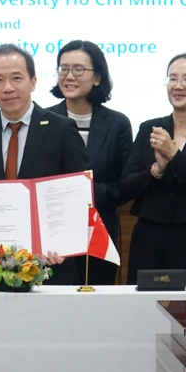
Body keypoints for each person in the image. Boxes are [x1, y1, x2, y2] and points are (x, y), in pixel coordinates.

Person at [0, 44, 88, 283]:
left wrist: (62, 243)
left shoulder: (62, 129)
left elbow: (77, 197)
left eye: (16, 78)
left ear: (33, 82)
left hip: (53, 264)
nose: (8, 88)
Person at [119, 53, 186, 285]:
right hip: (149, 236)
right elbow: (127, 185)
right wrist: (156, 170)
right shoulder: (149, 128)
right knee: (143, 310)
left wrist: (174, 156)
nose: (178, 86)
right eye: (172, 79)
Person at [47, 40, 132, 285]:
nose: (69, 76)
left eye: (78, 69)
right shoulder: (44, 120)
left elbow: (126, 183)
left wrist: (85, 195)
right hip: (54, 231)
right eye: (63, 69)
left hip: (100, 228)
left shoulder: (117, 124)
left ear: (97, 78)